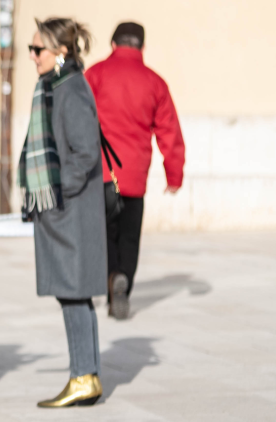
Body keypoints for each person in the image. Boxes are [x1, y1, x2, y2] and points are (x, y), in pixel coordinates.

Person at [23, 18, 107, 408]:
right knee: (74, 296)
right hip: (65, 211)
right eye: (31, 49)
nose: (32, 56)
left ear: (61, 52)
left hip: (70, 211)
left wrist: (57, 192)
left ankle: (83, 377)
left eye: (37, 49)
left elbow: (86, 152)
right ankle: (86, 375)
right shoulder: (54, 87)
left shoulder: (70, 89)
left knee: (73, 295)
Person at [85, 21, 184, 319]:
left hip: (101, 174)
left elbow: (79, 118)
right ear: (141, 47)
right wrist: (174, 174)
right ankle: (124, 285)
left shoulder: (96, 74)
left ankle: (113, 275)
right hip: (135, 176)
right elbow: (170, 131)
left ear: (113, 44)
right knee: (129, 236)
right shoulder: (155, 82)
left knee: (105, 234)